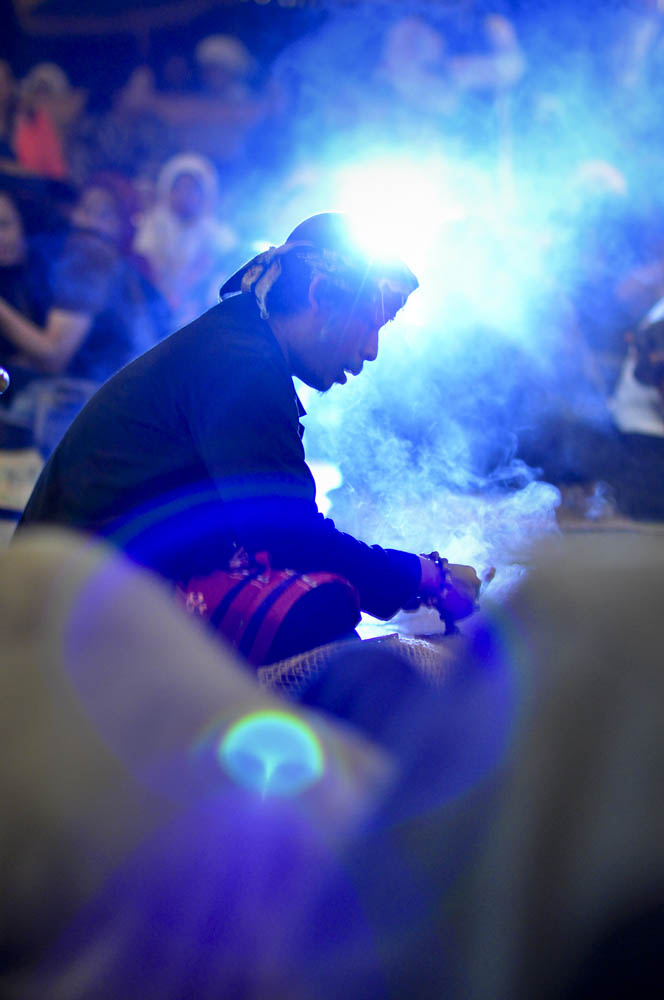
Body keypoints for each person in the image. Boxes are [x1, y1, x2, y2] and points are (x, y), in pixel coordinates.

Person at [17, 212, 481, 664]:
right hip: (58, 613)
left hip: (80, 582)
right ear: (319, 294)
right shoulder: (242, 361)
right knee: (320, 608)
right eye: (371, 321)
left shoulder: (241, 338)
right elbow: (290, 535)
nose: (372, 349)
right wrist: (423, 576)